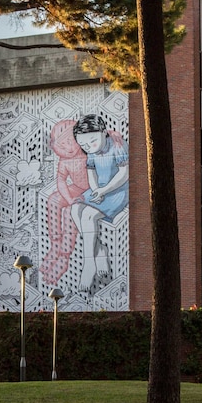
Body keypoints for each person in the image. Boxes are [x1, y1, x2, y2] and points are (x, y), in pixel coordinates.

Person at [70, 114, 129, 292]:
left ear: (103, 133)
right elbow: (91, 172)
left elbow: (123, 174)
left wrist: (104, 191)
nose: (88, 148)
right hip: (100, 190)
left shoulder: (118, 145)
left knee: (88, 215)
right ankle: (99, 250)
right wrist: (96, 189)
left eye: (92, 142)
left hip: (117, 191)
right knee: (75, 208)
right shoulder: (92, 153)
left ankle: (89, 263)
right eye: (83, 146)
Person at [40, 119, 90, 285]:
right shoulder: (64, 161)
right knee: (53, 200)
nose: (68, 148)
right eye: (62, 145)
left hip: (93, 191)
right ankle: (54, 246)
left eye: (71, 142)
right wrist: (68, 198)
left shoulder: (89, 152)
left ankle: (64, 257)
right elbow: (61, 181)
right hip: (77, 188)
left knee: (70, 211)